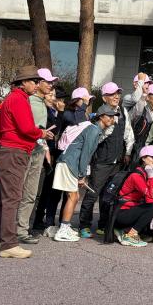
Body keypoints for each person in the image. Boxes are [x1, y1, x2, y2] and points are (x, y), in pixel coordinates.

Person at [0, 66, 55, 259]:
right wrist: (40, 132)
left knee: (1, 198)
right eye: (33, 81)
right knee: (12, 199)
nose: (36, 84)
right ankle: (9, 244)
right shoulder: (18, 99)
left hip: (8, 151)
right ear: (23, 83)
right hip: (15, 151)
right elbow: (26, 128)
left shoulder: (13, 97)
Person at [52, 104, 118, 242]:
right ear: (101, 117)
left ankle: (65, 226)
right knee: (73, 197)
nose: (112, 119)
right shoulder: (93, 130)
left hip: (69, 162)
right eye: (109, 116)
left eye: (113, 117)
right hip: (69, 163)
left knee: (73, 196)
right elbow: (85, 154)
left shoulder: (94, 130)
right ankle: (63, 229)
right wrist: (82, 175)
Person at [78, 82, 135, 238]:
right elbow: (97, 139)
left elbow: (129, 134)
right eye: (112, 94)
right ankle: (84, 224)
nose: (116, 96)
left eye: (118, 93)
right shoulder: (100, 114)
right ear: (104, 98)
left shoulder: (123, 111)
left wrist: (128, 152)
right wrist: (108, 125)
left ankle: (103, 224)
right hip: (101, 162)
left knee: (109, 195)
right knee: (92, 193)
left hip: (117, 162)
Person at [16, 67, 59, 244]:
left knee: (31, 193)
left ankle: (21, 230)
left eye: (51, 82)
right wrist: (41, 133)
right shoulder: (30, 101)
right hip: (26, 152)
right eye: (47, 82)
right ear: (37, 83)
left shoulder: (42, 103)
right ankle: (9, 229)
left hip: (38, 151)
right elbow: (25, 128)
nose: (50, 85)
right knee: (18, 192)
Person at [33, 87, 68, 232]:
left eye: (57, 97)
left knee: (47, 189)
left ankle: (39, 219)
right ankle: (35, 220)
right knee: (39, 190)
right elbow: (55, 131)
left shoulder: (53, 112)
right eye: (52, 96)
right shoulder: (45, 111)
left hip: (52, 153)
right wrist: (60, 113)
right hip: (42, 152)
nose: (57, 100)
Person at [113, 144, 153, 247]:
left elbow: (152, 197)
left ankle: (124, 230)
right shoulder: (136, 176)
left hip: (126, 212)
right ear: (143, 158)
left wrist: (150, 174)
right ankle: (130, 235)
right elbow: (152, 197)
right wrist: (151, 175)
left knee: (152, 205)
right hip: (121, 213)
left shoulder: (144, 172)